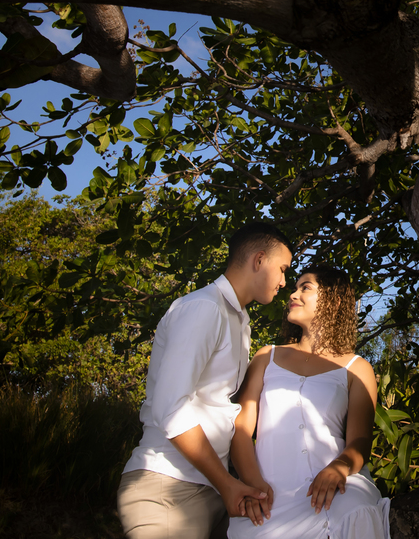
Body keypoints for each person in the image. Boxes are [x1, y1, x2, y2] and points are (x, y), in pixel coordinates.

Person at [118, 222, 294, 539]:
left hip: (208, 489)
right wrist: (227, 484)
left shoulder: (239, 321)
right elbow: (170, 407)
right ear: (259, 260)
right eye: (282, 269)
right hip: (168, 486)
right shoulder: (204, 307)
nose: (284, 282)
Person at [228, 265, 389, 539]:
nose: (293, 294)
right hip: (269, 498)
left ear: (335, 301)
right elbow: (240, 430)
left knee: (357, 513)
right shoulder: (267, 357)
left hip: (335, 494)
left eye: (306, 287)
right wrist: (253, 484)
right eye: (295, 287)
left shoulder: (357, 368)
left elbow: (360, 442)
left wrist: (340, 466)